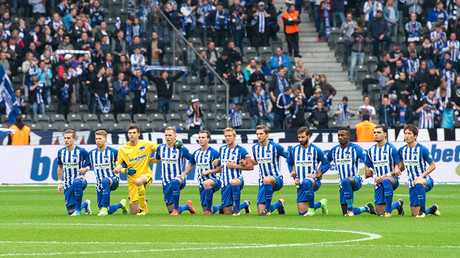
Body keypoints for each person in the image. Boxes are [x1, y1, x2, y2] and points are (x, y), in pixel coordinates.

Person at [326, 127, 376, 216]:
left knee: (346, 181)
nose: (340, 137)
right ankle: (366, 208)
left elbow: (367, 159)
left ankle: (350, 209)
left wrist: (369, 169)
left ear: (348, 136)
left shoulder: (355, 148)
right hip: (342, 183)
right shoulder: (334, 150)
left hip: (355, 180)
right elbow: (325, 162)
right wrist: (318, 172)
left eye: (343, 135)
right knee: (345, 213)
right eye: (339, 135)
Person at [78, 130, 128, 216]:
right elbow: (87, 165)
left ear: (105, 139)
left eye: (100, 138)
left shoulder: (113, 152)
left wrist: (120, 166)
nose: (98, 141)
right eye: (96, 139)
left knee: (105, 181)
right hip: (99, 183)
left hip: (113, 180)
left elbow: (125, 162)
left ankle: (104, 209)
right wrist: (83, 173)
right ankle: (121, 204)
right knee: (106, 210)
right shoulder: (92, 153)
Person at [113, 124, 158, 216]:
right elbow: (117, 169)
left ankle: (143, 210)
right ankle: (143, 202)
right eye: (130, 133)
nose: (132, 135)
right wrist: (126, 171)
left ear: (138, 134)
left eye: (134, 133)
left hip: (146, 175)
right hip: (132, 181)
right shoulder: (123, 149)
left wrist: (153, 160)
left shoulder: (147, 145)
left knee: (139, 181)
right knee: (134, 212)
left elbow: (161, 149)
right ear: (127, 135)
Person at [151, 127, 195, 216]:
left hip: (179, 179)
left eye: (170, 135)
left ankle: (175, 210)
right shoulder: (160, 148)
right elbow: (157, 159)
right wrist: (143, 161)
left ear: (175, 136)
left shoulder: (181, 148)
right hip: (165, 181)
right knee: (170, 211)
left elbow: (193, 160)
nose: (168, 137)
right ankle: (187, 206)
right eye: (166, 135)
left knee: (174, 181)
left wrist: (183, 174)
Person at [398, 124, 441, 217]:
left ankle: (422, 211)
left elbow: (432, 165)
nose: (407, 136)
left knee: (418, 182)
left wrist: (421, 176)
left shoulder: (422, 149)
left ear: (415, 136)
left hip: (425, 180)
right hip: (411, 183)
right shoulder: (402, 150)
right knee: (414, 213)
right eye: (405, 133)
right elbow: (401, 166)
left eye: (409, 133)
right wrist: (396, 170)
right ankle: (431, 209)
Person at [287, 126, 329, 216]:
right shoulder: (294, 150)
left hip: (313, 181)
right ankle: (321, 204)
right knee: (302, 213)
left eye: (303, 137)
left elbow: (327, 163)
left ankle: (311, 210)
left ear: (308, 136)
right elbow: (289, 163)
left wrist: (319, 174)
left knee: (307, 182)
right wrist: (294, 176)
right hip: (300, 183)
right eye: (299, 137)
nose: (300, 139)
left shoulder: (315, 149)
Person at [364, 126, 404, 217]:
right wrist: (374, 176)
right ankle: (398, 204)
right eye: (374, 133)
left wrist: (387, 175)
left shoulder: (391, 148)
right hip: (378, 181)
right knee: (379, 213)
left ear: (385, 134)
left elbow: (401, 166)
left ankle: (388, 212)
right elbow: (367, 166)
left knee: (386, 181)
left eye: (378, 132)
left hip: (391, 179)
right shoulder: (371, 150)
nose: (376, 134)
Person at [212, 127, 254, 216]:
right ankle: (245, 204)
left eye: (230, 136)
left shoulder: (241, 150)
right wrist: (217, 162)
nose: (227, 138)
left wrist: (236, 165)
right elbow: (222, 162)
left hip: (237, 180)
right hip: (224, 183)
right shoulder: (222, 149)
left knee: (234, 182)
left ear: (234, 137)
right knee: (227, 212)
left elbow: (250, 166)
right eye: (226, 136)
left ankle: (237, 210)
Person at [182, 130, 222, 215]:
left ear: (208, 139)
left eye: (203, 137)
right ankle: (220, 207)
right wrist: (183, 174)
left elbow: (221, 168)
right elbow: (191, 164)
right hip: (201, 183)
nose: (201, 139)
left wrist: (209, 171)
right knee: (206, 210)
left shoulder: (214, 153)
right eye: (199, 137)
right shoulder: (196, 153)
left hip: (215, 180)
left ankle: (208, 209)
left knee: (207, 184)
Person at [251, 125, 288, 216]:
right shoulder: (255, 148)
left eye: (261, 134)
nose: (259, 136)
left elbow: (289, 157)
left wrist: (293, 171)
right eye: (257, 134)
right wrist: (245, 163)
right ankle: (279, 204)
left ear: (267, 134)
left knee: (267, 179)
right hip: (263, 181)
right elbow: (256, 161)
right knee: (260, 212)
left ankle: (267, 209)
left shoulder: (275, 146)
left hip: (276, 179)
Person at [57, 129, 91, 216]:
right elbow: (60, 167)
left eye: (69, 138)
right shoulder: (61, 152)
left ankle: (78, 211)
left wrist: (85, 169)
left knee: (76, 182)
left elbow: (91, 160)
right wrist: (59, 183)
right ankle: (86, 203)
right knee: (70, 212)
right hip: (67, 183)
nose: (66, 140)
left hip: (80, 181)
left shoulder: (81, 151)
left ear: (74, 139)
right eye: (65, 138)